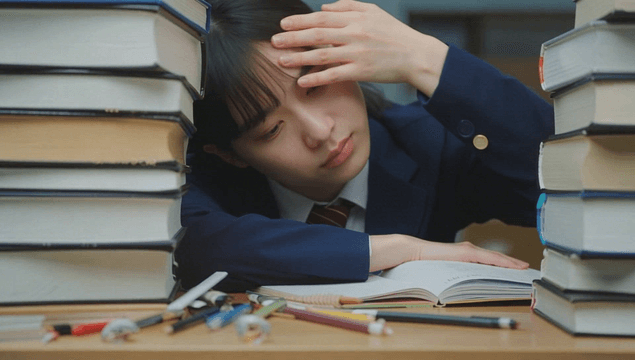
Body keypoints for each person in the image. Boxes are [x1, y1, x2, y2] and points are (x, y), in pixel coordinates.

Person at [175, 0, 554, 291]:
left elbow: (567, 180)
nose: (320, 131)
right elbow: (187, 242)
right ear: (229, 153)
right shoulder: (199, 175)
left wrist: (423, 58)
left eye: (316, 85)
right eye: (271, 130)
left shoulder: (425, 142)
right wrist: (399, 251)